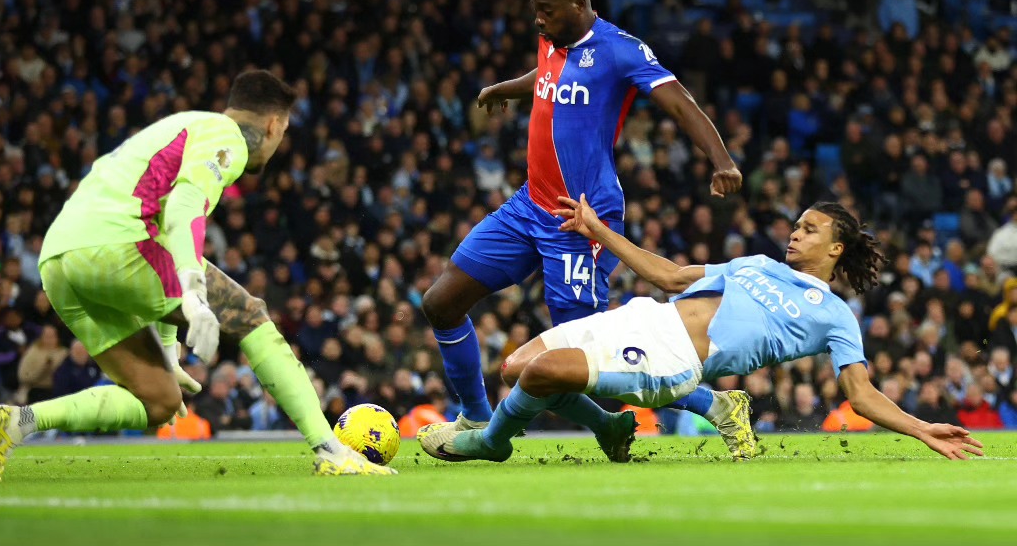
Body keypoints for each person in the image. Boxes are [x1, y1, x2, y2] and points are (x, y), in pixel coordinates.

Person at [0, 70, 393, 482]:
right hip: (117, 244)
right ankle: (329, 449)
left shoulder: (182, 126)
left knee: (159, 399)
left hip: (60, 260)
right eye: (282, 135)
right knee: (251, 315)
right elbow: (185, 205)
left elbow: (158, 239)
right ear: (274, 123)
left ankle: (17, 422)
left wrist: (169, 351)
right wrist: (192, 291)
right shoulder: (227, 138)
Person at [419, 0, 749, 458]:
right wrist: (507, 88)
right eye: (535, 13)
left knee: (589, 359)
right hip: (528, 205)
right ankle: (477, 414)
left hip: (580, 221)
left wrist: (721, 160)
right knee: (441, 302)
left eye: (546, 12)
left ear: (579, 6)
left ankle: (715, 406)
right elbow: (547, 74)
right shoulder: (552, 37)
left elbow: (679, 102)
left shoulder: (620, 50)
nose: (538, 22)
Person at [421, 197, 984, 463]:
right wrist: (598, 230)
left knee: (543, 373)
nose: (795, 234)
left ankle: (489, 443)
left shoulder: (835, 315)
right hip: (645, 316)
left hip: (671, 359)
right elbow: (667, 274)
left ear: (836, 249)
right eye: (795, 225)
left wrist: (921, 428)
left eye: (810, 231)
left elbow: (860, 396)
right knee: (514, 368)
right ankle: (615, 430)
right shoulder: (759, 264)